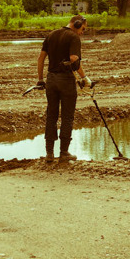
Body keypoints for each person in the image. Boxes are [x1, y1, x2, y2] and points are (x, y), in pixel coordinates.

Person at [37, 14, 92, 163]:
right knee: (67, 116)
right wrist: (84, 78)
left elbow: (41, 58)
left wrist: (41, 79)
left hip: (51, 79)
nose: (82, 32)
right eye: (83, 29)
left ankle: (49, 154)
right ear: (78, 23)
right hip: (66, 81)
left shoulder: (51, 35)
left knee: (51, 115)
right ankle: (64, 152)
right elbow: (74, 59)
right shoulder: (73, 37)